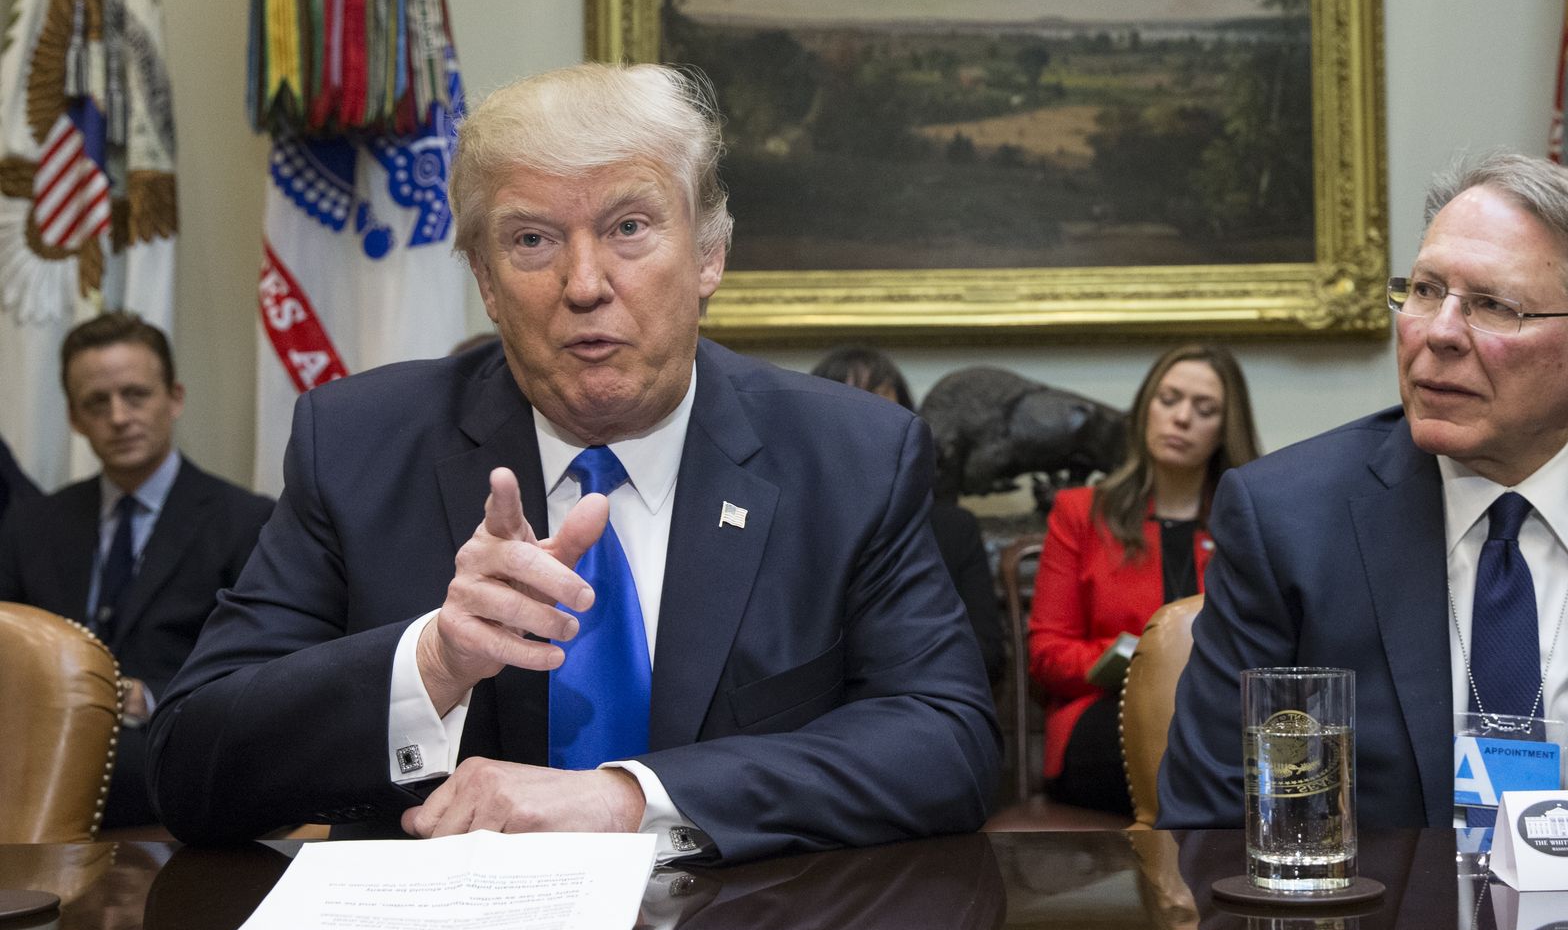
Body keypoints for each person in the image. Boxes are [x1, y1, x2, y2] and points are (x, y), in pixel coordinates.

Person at [148, 63, 1000, 861]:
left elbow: (948, 742)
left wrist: (632, 800)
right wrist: (434, 662)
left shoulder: (850, 455)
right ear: (484, 279)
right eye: (531, 240)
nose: (584, 282)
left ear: (709, 254)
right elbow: (189, 763)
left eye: (629, 228)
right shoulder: (360, 443)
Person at [1157, 152, 1568, 833]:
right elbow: (1208, 821)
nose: (1438, 333)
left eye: (1494, 306)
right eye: (1427, 290)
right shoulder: (1285, 520)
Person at [0, 312, 273, 828]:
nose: (119, 417)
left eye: (136, 394)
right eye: (96, 403)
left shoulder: (245, 520)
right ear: (75, 419)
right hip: (35, 769)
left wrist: (146, 696)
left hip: (172, 768)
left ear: (175, 398)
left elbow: (257, 671)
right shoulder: (31, 525)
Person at [1029, 345, 1260, 815]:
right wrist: (1139, 656)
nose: (1181, 419)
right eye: (1168, 399)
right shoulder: (1080, 514)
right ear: (1144, 410)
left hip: (1217, 716)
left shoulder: (1251, 522)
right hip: (1105, 716)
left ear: (1224, 430)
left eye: (1205, 409)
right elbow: (1047, 655)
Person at [811, 346, 1005, 686]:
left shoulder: (952, 529)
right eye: (847, 408)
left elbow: (986, 655)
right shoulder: (793, 528)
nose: (864, 428)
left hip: (918, 705)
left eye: (879, 408)